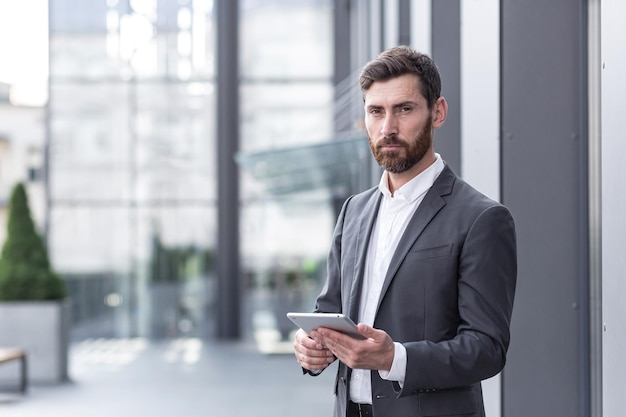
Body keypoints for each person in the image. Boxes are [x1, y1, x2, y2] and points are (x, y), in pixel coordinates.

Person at [292, 45, 517, 417]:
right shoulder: (354, 212)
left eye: (404, 109)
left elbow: (487, 348)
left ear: (438, 112)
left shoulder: (482, 219)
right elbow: (328, 312)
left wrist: (395, 357)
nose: (387, 128)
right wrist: (310, 347)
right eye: (375, 112)